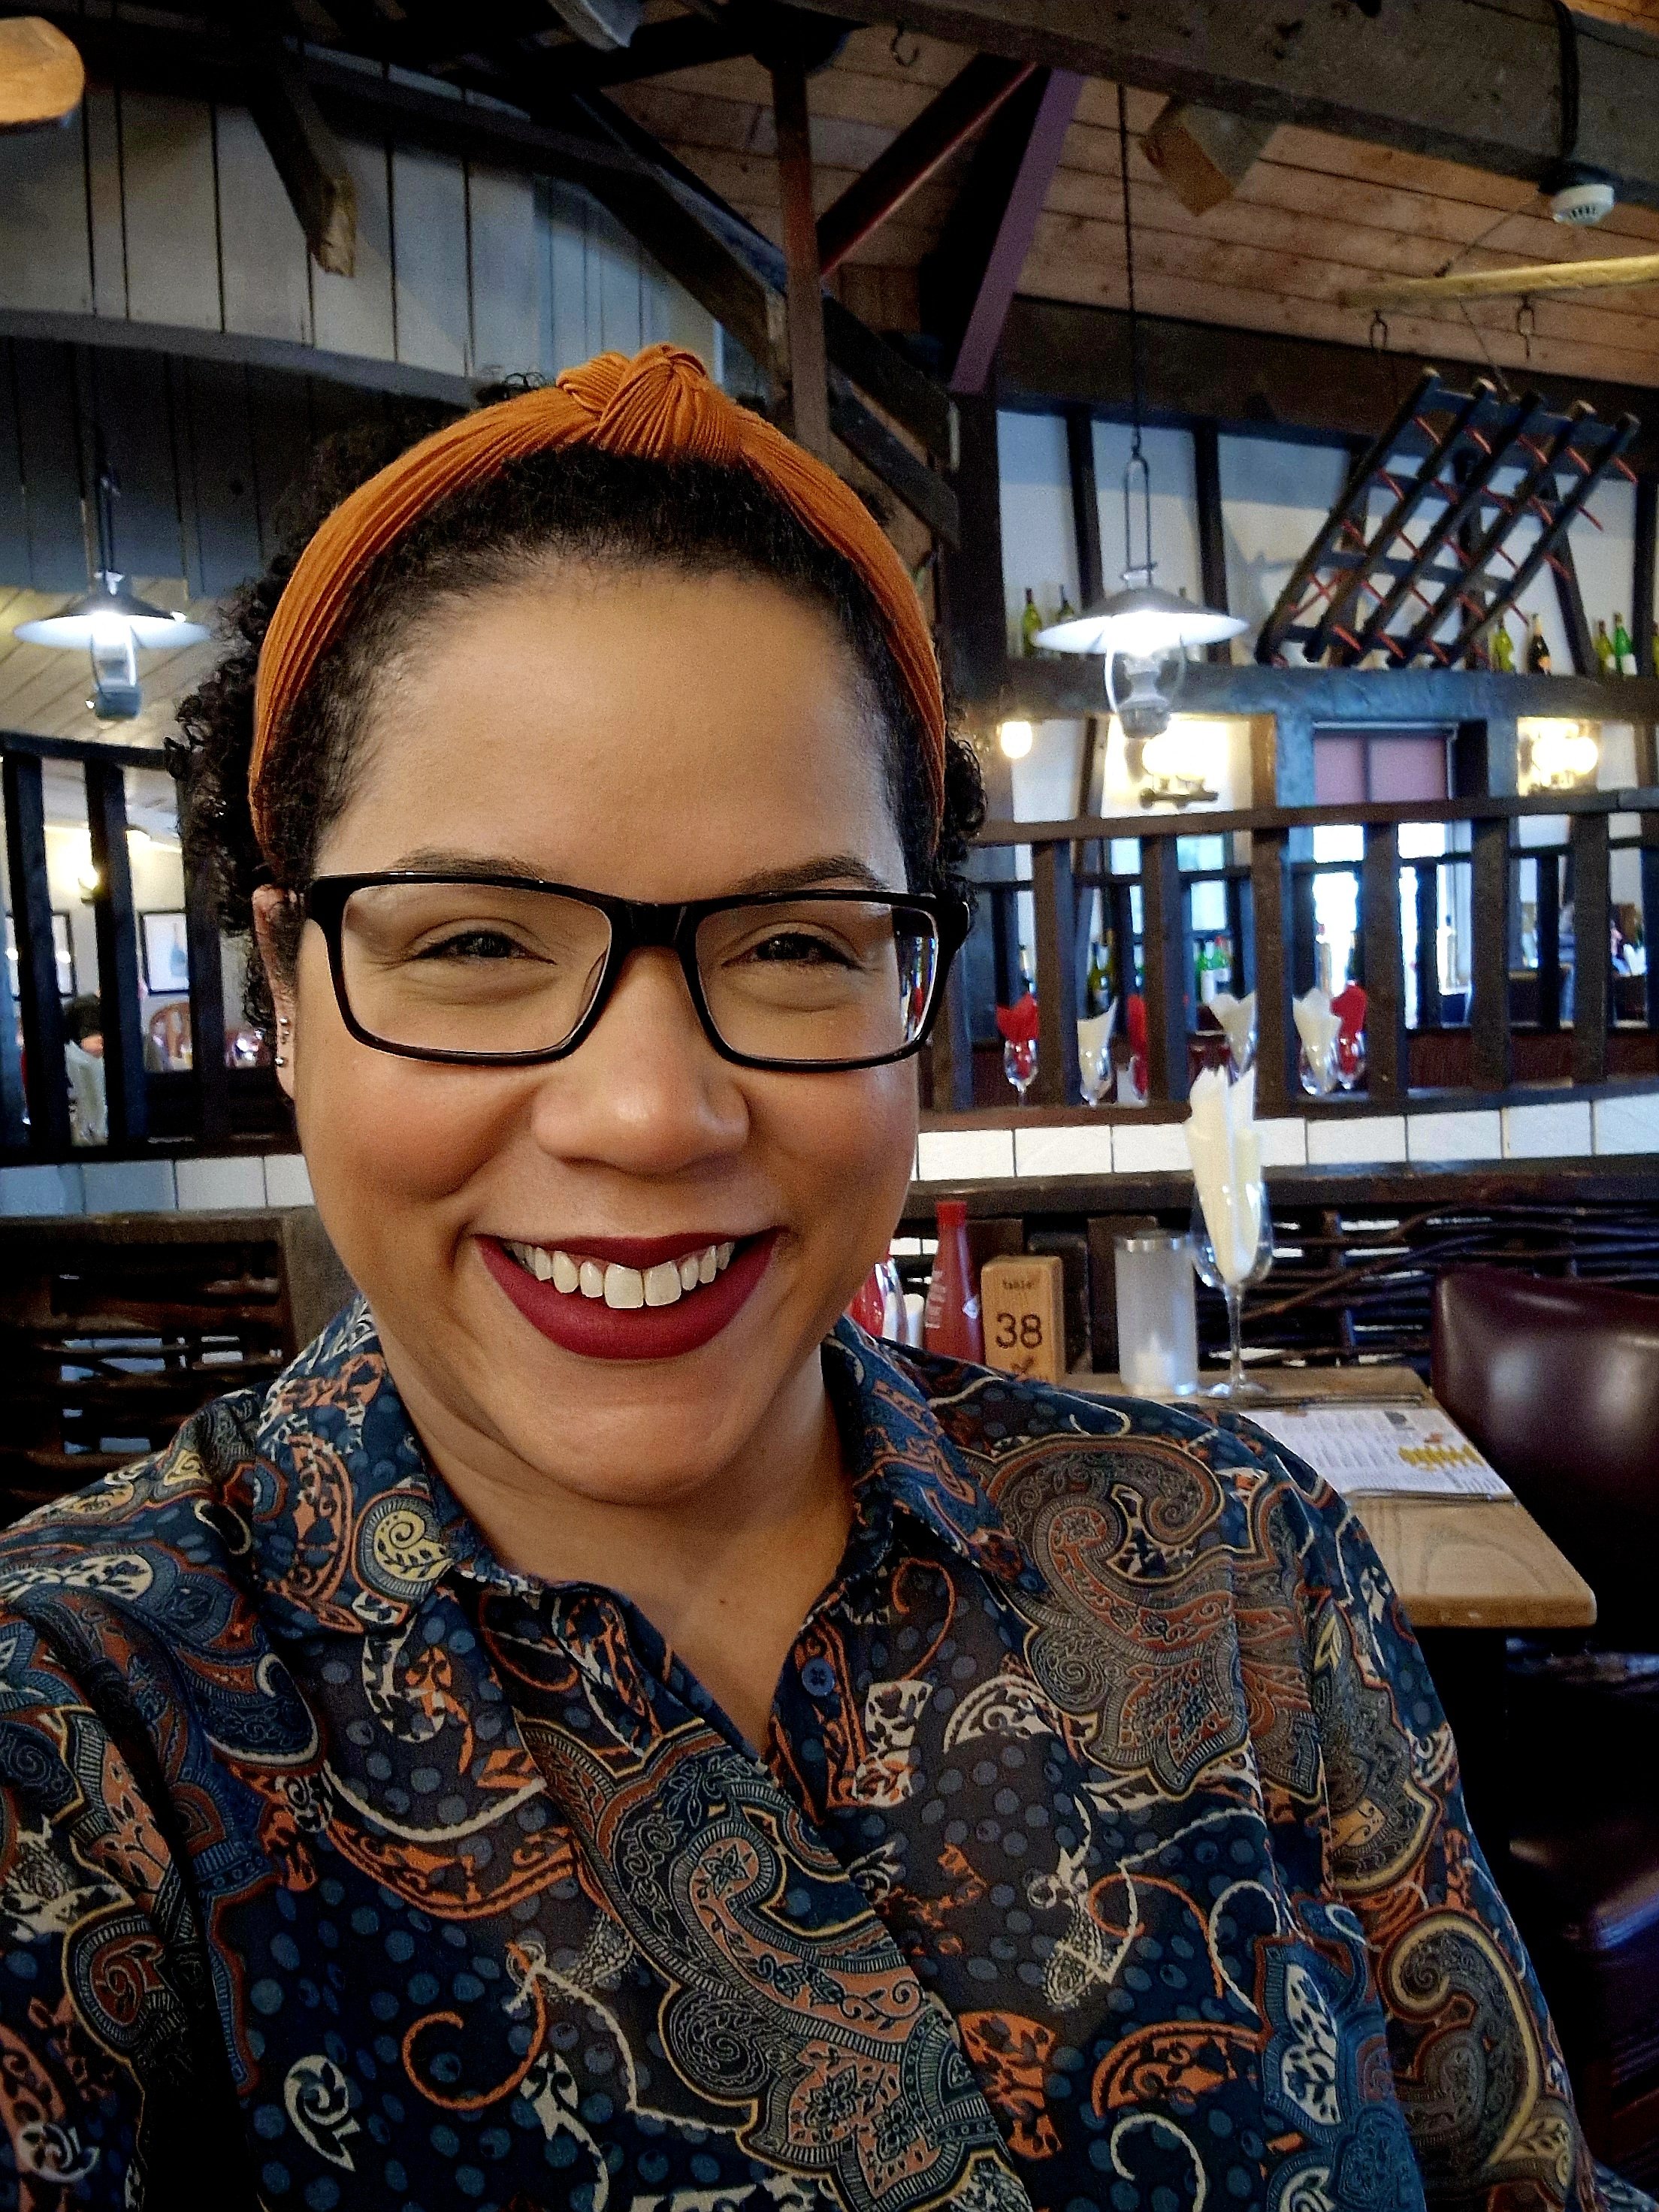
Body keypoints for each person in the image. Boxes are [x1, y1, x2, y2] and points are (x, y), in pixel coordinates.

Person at [0, 346, 1645, 2212]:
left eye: (794, 938)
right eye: (472, 939)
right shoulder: (86, 1724)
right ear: (286, 988)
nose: (645, 1110)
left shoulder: (1230, 1560)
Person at [63, 990, 107, 1144]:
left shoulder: (86, 1003)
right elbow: (91, 1046)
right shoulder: (90, 1008)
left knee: (89, 1103)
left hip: (74, 1055)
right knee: (96, 1103)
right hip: (81, 1058)